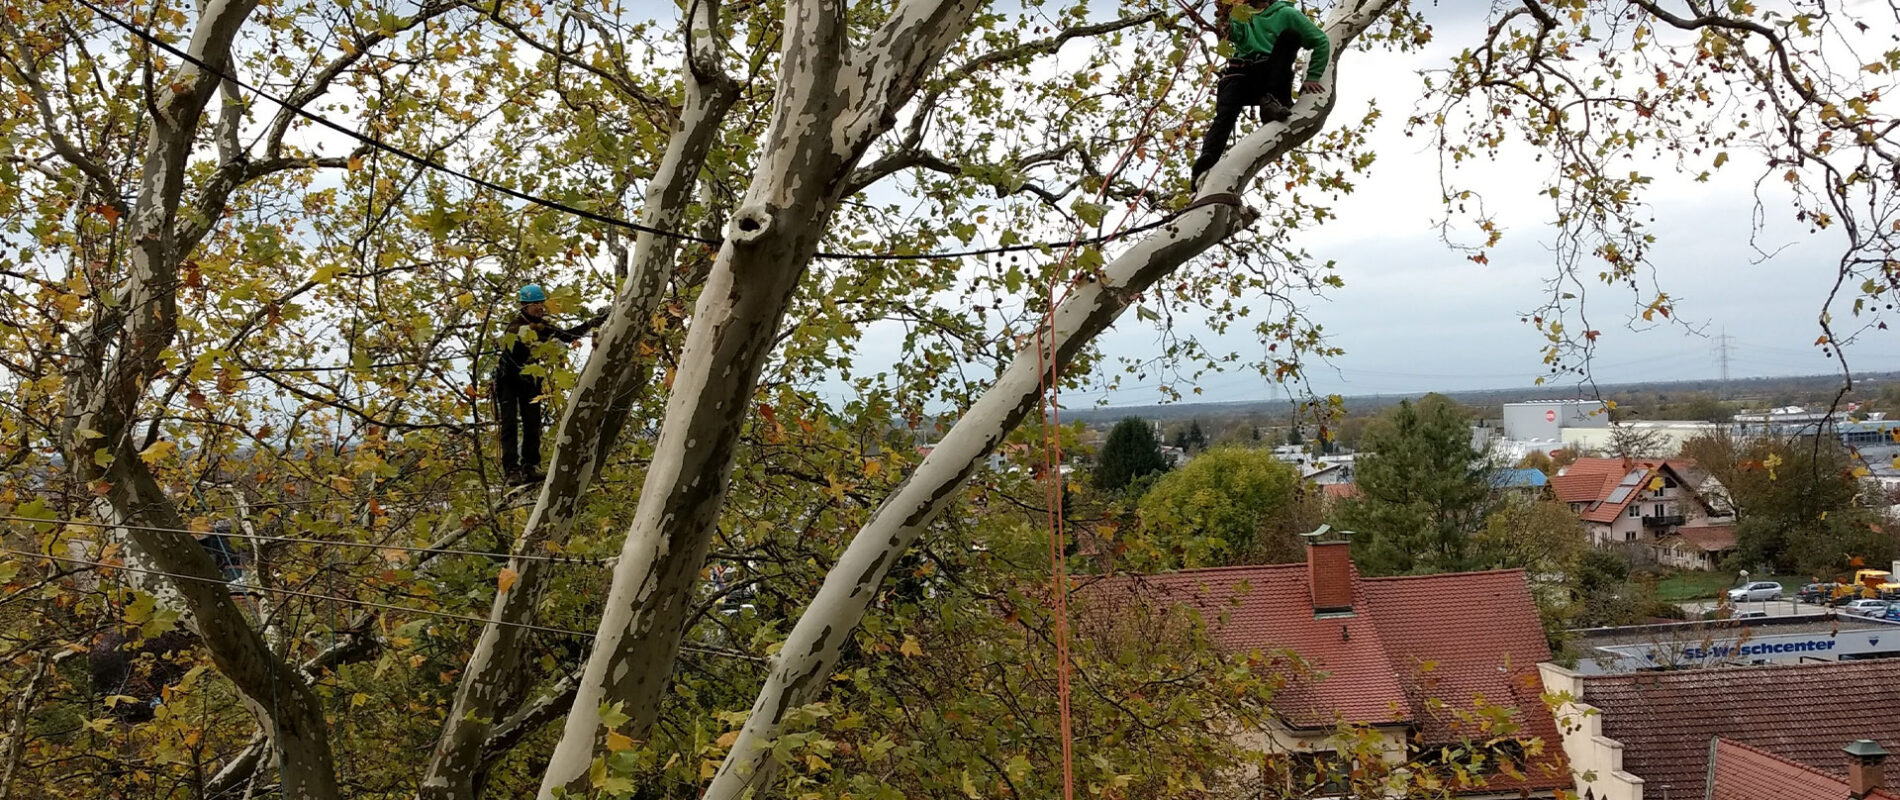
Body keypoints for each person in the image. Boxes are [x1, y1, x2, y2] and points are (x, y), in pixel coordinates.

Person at [1189, 0, 1331, 184]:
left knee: (1290, 36)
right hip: (1244, 76)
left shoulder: (1286, 14)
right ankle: (1204, 165)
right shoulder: (1242, 15)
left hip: (1273, 76)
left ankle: (1270, 101)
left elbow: (1321, 41)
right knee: (1224, 116)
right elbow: (1237, 34)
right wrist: (1226, 24)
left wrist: (1313, 76)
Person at [494, 284, 605, 485]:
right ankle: (512, 470)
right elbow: (514, 353)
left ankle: (529, 467)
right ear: (525, 306)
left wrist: (591, 323)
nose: (540, 307)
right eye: (535, 304)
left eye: (541, 303)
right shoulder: (515, 328)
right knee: (509, 424)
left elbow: (567, 336)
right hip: (508, 381)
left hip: (530, 381)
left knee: (532, 423)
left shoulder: (542, 326)